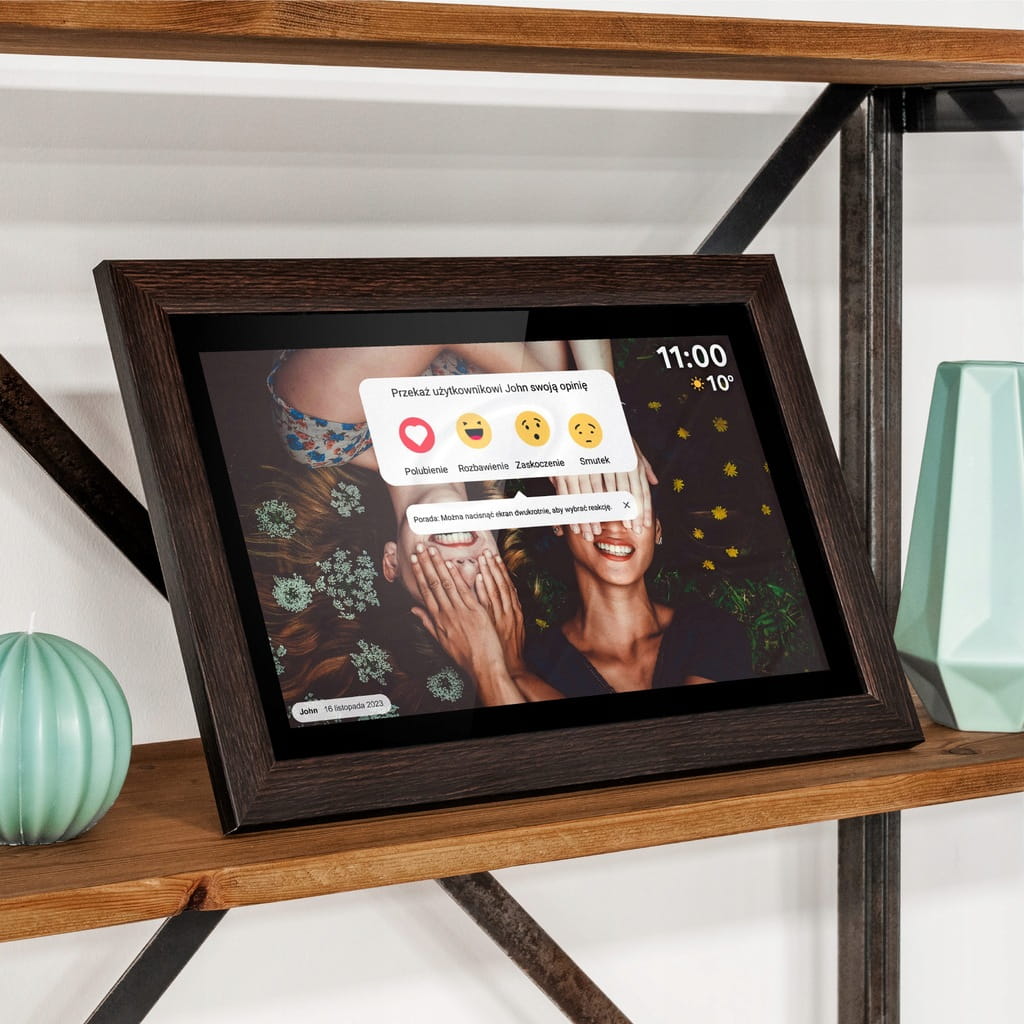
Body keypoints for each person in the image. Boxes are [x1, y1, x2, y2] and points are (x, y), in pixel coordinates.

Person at [510, 512, 753, 698]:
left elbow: (689, 740)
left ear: (657, 528)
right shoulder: (539, 662)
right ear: (559, 522)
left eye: (631, 503)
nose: (616, 524)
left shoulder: (710, 631)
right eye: (594, 505)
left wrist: (515, 677)